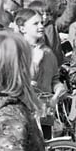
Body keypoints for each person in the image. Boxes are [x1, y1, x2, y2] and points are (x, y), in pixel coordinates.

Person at [14, 8, 66, 136]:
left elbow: (54, 78)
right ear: (22, 28)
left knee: (47, 150)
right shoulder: (16, 51)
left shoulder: (48, 52)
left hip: (45, 111)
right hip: (24, 111)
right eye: (35, 23)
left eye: (42, 23)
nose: (41, 26)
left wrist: (59, 88)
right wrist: (35, 62)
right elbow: (19, 81)